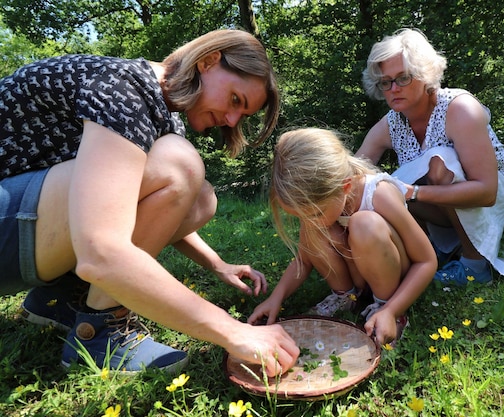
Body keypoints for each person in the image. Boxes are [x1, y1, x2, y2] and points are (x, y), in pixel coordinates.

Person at [0, 29, 299, 376]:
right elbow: (100, 250)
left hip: (21, 229)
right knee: (179, 165)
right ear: (208, 61)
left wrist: (218, 265)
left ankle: (62, 300)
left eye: (242, 115)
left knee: (200, 197)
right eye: (235, 100)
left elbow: (128, 201)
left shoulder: (165, 114)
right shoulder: (122, 88)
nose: (232, 121)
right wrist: (233, 331)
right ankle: (100, 332)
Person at [356, 28, 504, 286]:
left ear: (424, 74)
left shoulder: (459, 108)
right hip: (443, 205)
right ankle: (428, 254)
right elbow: (354, 172)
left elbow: (487, 191)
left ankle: (474, 266)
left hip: (496, 199)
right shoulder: (390, 124)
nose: (393, 89)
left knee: (439, 161)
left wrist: (410, 192)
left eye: (403, 78)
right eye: (385, 82)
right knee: (376, 185)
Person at [247, 128, 436, 345]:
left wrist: (392, 310)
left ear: (345, 186)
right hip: (358, 271)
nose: (307, 222)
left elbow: (426, 261)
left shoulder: (379, 194)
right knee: (315, 228)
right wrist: (275, 298)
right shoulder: (319, 205)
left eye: (315, 213)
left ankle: (386, 309)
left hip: (392, 273)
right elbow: (304, 259)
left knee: (364, 223)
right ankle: (346, 297)